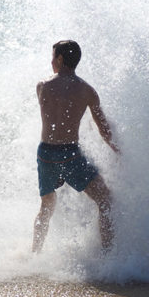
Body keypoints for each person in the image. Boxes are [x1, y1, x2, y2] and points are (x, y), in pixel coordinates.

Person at [32, 39, 119, 253]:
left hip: (45, 153)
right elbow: (104, 131)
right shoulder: (87, 91)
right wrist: (120, 152)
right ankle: (108, 257)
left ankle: (34, 255)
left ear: (60, 59)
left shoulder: (42, 86)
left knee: (46, 206)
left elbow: (56, 112)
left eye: (53, 57)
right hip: (70, 154)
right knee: (106, 201)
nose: (51, 61)